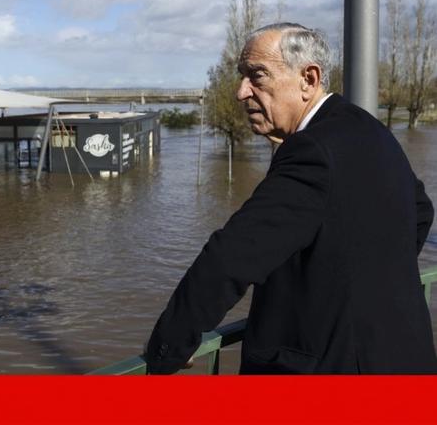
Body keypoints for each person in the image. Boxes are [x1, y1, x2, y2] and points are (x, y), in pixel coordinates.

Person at [145, 23, 436, 374]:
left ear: (308, 79)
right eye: (242, 76)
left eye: (257, 76)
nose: (241, 91)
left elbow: (233, 255)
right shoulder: (367, 127)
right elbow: (420, 210)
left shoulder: (311, 150)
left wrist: (169, 344)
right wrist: (362, 281)